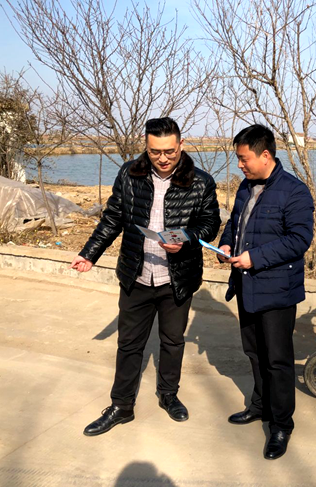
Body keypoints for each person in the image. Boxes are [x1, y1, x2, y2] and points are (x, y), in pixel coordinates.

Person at [70, 117, 221, 436]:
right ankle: (121, 406)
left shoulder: (201, 182)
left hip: (176, 278)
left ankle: (168, 395)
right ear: (146, 146)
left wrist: (185, 238)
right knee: (128, 344)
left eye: (169, 151)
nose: (163, 158)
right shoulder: (130, 174)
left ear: (181, 145)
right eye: (155, 152)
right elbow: (113, 218)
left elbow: (209, 224)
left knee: (173, 342)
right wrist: (89, 253)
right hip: (136, 275)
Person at [218, 124, 314, 460]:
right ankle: (259, 406)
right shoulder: (246, 188)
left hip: (276, 291)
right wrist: (225, 244)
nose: (240, 165)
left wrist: (254, 258)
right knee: (254, 353)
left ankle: (281, 425)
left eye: (244, 159)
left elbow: (299, 240)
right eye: (238, 159)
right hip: (245, 286)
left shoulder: (294, 192)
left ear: (265, 155)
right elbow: (235, 224)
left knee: (277, 360)